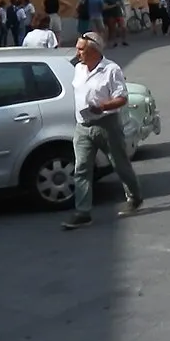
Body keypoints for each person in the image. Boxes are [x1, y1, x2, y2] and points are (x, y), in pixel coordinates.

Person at [60, 34, 143, 230]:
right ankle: (83, 213)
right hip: (83, 126)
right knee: (81, 169)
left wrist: (103, 106)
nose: (77, 52)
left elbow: (122, 98)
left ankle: (135, 197)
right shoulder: (78, 68)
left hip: (107, 125)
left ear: (94, 50)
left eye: (81, 49)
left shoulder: (111, 70)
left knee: (120, 164)